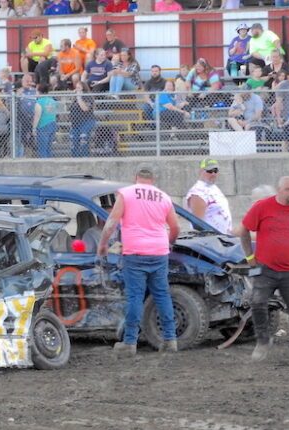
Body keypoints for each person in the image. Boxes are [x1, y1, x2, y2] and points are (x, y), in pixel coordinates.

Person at [98, 167, 180, 356]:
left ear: (136, 178)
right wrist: (168, 243)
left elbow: (111, 222)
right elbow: (175, 227)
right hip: (159, 251)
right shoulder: (164, 197)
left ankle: (130, 342)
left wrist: (102, 244)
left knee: (135, 296)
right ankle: (170, 339)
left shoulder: (126, 193)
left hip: (135, 252)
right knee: (162, 295)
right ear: (153, 180)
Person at [240, 176, 289, 367]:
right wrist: (250, 258)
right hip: (265, 268)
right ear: (279, 190)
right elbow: (244, 231)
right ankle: (262, 341)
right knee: (257, 302)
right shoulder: (262, 207)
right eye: (288, 189)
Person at [184, 158, 232, 234]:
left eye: (215, 171)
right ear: (201, 171)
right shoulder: (197, 192)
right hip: (211, 240)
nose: (213, 174)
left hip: (223, 238)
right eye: (209, 171)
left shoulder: (213, 187)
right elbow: (198, 224)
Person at [69, 81, 96, 157]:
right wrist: (75, 97)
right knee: (73, 141)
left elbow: (85, 108)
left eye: (79, 87)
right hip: (75, 123)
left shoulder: (87, 96)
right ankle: (75, 157)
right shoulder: (75, 98)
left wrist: (79, 97)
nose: (77, 89)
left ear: (83, 87)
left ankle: (85, 157)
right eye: (76, 87)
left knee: (83, 139)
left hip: (87, 121)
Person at [32, 84, 58, 158]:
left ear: (39, 91)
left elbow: (37, 116)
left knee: (42, 149)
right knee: (48, 148)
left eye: (36, 91)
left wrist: (34, 128)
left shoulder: (39, 102)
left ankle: (44, 165)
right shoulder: (52, 100)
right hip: (52, 124)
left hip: (43, 126)